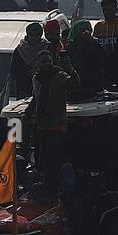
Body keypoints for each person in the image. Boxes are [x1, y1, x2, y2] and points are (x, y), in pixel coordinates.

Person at [31, 60, 77, 190]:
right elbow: (36, 98)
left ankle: (66, 188)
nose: (45, 64)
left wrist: (69, 67)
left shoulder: (59, 76)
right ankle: (49, 185)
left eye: (48, 61)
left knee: (58, 160)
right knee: (44, 160)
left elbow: (75, 83)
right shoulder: (36, 78)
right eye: (42, 62)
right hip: (42, 127)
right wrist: (28, 115)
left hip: (58, 126)